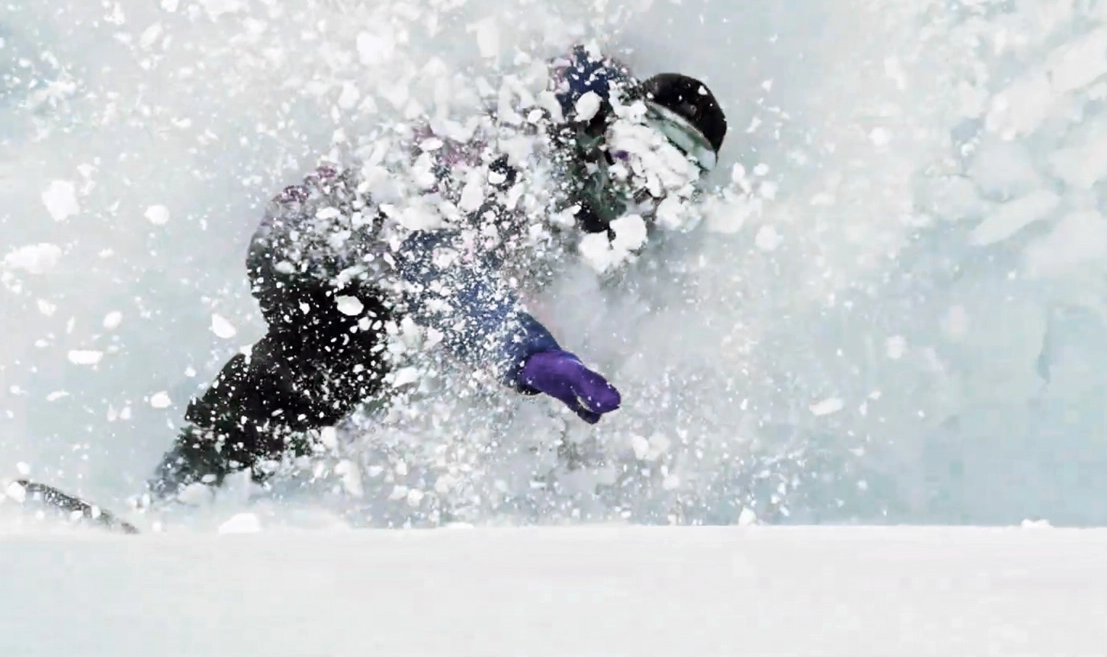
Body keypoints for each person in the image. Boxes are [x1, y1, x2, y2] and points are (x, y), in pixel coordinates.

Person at [143, 45, 727, 505]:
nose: (643, 184)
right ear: (614, 126)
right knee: (351, 345)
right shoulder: (527, 145)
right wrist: (526, 351)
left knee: (436, 391)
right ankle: (189, 489)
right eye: (644, 151)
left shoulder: (607, 223)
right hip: (332, 237)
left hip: (414, 281)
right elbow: (431, 258)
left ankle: (284, 512)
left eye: (676, 175)